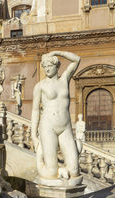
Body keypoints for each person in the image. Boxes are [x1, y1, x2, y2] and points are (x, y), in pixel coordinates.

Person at [31, 51, 81, 180]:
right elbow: (35, 110)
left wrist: (56, 52)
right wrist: (33, 135)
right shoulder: (40, 86)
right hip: (48, 127)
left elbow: (76, 59)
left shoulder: (64, 79)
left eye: (50, 65)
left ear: (57, 66)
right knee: (51, 173)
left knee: (75, 171)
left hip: (65, 127)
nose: (47, 68)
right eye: (45, 66)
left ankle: (63, 170)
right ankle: (40, 159)